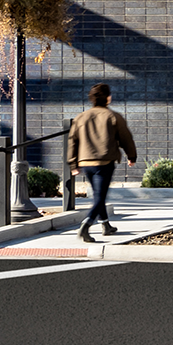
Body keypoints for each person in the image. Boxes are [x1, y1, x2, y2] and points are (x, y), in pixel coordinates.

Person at [65, 83, 139, 242]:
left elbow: (72, 141)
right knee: (100, 197)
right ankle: (86, 224)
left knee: (99, 194)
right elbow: (126, 138)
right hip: (104, 162)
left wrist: (73, 164)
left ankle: (106, 225)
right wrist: (131, 156)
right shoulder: (113, 116)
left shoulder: (81, 117)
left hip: (85, 162)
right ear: (108, 98)